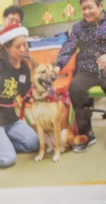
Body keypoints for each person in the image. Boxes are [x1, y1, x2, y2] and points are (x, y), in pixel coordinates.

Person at [53, 0, 106, 152]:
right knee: (76, 87)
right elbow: (69, 47)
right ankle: (86, 134)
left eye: (90, 7)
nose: (87, 12)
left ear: (100, 6)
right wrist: (58, 66)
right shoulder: (78, 28)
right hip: (86, 71)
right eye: (84, 9)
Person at [0, 24, 40, 167]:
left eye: (25, 45)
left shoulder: (24, 69)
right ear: (7, 48)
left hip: (10, 119)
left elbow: (25, 95)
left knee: (34, 143)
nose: (23, 50)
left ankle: (4, 144)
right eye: (18, 46)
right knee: (8, 159)